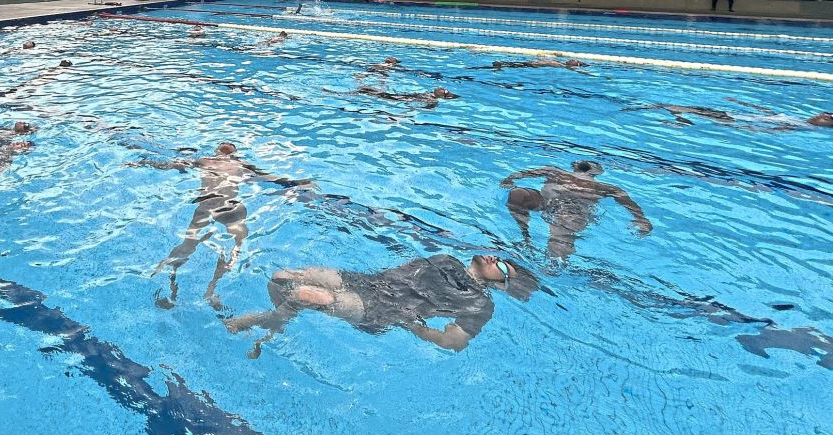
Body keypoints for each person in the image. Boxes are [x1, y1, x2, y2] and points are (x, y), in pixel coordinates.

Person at [225, 252, 536, 358]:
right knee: (282, 277)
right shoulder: (447, 260)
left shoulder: (481, 303)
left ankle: (269, 322)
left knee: (305, 294)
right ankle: (277, 323)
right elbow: (398, 275)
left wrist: (412, 325)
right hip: (369, 283)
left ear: (502, 285)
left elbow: (454, 342)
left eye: (503, 267)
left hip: (381, 311)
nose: (495, 258)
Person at [124, 143, 313, 309]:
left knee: (187, 245)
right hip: (230, 206)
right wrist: (298, 184)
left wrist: (140, 163)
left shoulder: (205, 160)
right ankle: (212, 289)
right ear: (234, 153)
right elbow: (272, 180)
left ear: (217, 151)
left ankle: (173, 286)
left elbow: (170, 164)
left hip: (207, 204)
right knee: (237, 247)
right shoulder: (241, 165)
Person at [501, 160, 652, 259]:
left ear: (596, 172)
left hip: (571, 211)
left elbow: (627, 202)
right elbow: (523, 174)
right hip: (545, 202)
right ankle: (525, 235)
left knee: (558, 241)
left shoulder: (604, 188)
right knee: (517, 194)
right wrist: (510, 180)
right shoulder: (553, 171)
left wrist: (641, 218)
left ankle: (554, 262)